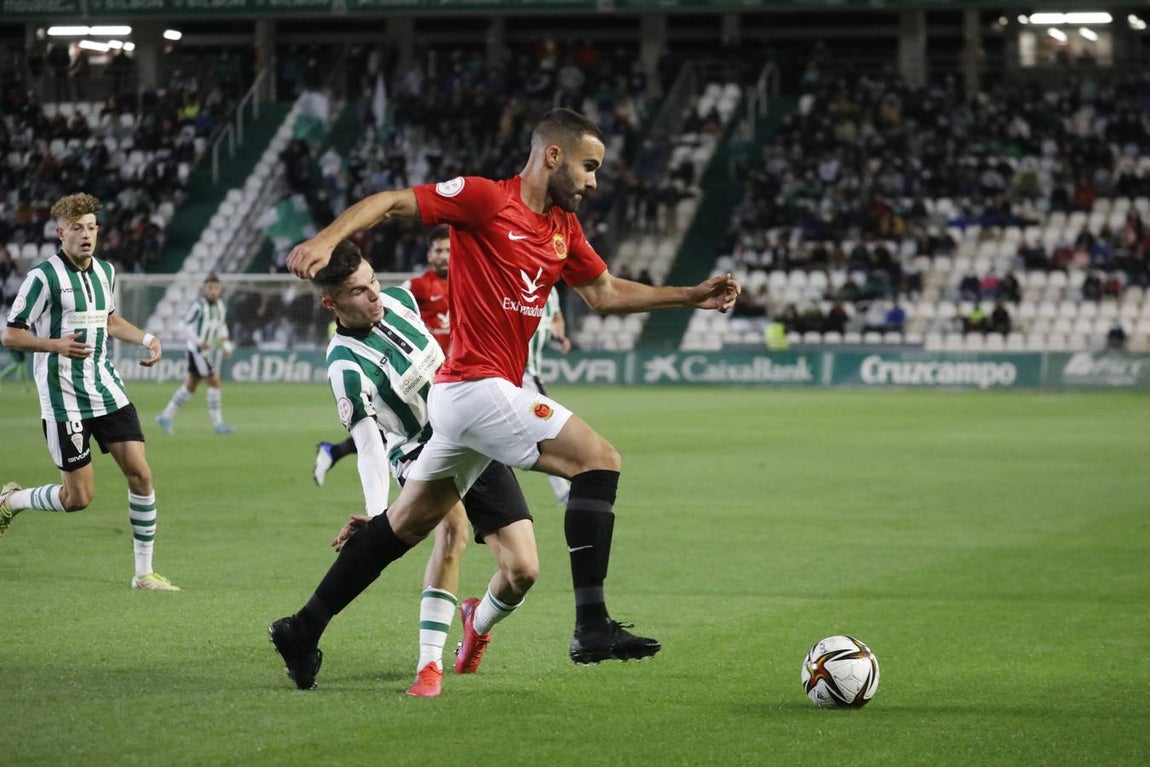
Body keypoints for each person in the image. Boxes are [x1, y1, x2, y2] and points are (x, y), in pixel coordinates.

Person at [269, 107, 739, 689]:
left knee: (405, 526)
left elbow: (606, 293)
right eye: (588, 167)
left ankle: (302, 629)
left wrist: (690, 295)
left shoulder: (565, 228)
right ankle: (592, 625)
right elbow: (392, 201)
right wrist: (325, 238)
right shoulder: (485, 199)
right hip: (474, 387)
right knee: (599, 459)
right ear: (552, 156)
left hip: (467, 402)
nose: (594, 181)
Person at [288, 241, 539, 696]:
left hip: (473, 436)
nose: (374, 296)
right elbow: (368, 446)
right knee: (453, 534)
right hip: (421, 454)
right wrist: (378, 513)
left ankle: (476, 623)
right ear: (332, 303)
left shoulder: (402, 301)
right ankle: (429, 667)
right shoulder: (344, 365)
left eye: (374, 282)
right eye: (359, 291)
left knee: (523, 571)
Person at [0, 193, 179, 591]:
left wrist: (148, 337)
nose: (86, 235)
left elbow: (109, 319)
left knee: (141, 474)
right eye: (77, 228)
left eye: (92, 228)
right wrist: (55, 345)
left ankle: (143, 573)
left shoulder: (106, 273)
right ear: (60, 233)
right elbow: (11, 333)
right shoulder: (43, 278)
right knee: (77, 498)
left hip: (105, 387)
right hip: (63, 396)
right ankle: (10, 501)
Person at [312, 226, 451, 485]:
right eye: (438, 250)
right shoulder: (416, 287)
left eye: (448, 251)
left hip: (443, 373)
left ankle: (333, 451)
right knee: (394, 427)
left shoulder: (461, 282)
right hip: (403, 367)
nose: (444, 256)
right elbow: (391, 317)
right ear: (429, 255)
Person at [155, 273, 235, 435]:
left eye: (216, 288)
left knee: (190, 386)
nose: (213, 291)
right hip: (197, 351)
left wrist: (226, 344)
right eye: (210, 288)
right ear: (204, 289)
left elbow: (221, 326)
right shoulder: (199, 306)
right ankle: (218, 424)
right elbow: (182, 325)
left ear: (220, 290)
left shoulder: (220, 306)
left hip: (205, 352)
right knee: (214, 382)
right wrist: (199, 341)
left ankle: (165, 416)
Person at [521, 289, 572, 505]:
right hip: (521, 375)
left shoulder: (551, 292)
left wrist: (559, 334)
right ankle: (563, 491)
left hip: (530, 373)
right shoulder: (516, 281)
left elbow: (557, 316)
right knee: (548, 433)